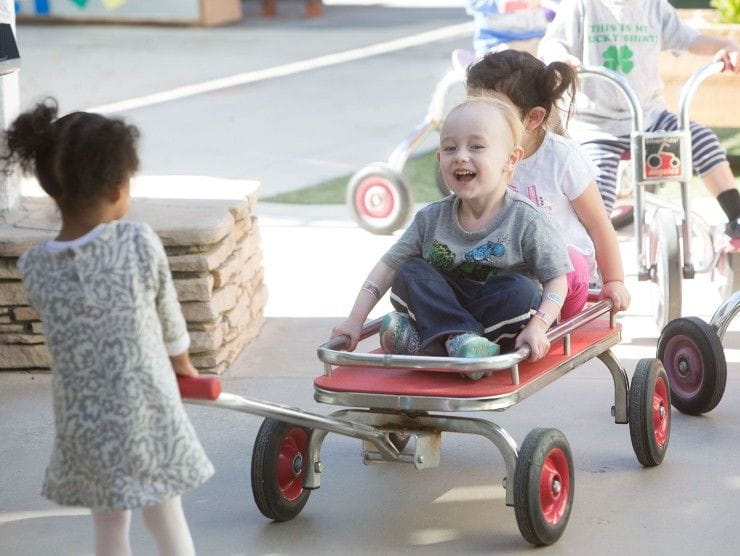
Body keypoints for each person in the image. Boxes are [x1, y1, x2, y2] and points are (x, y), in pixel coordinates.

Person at [4, 99, 213, 556]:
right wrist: (184, 367)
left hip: (84, 423)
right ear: (118, 187)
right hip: (145, 409)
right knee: (165, 513)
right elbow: (168, 319)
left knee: (110, 525)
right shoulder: (137, 242)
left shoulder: (35, 266)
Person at [333, 98, 573, 377]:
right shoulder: (430, 218)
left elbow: (557, 279)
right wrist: (354, 320)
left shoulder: (527, 219)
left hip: (496, 312)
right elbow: (387, 267)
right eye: (449, 148)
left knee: (522, 291)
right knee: (409, 271)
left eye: (476, 146)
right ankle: (459, 341)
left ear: (511, 159)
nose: (460, 156)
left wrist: (539, 326)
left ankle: (431, 342)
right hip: (443, 305)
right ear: (439, 160)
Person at [538, 0, 740, 237]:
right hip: (597, 124)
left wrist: (727, 45)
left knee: (701, 139)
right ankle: (592, 251)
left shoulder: (653, 6)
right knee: (597, 188)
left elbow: (690, 38)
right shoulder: (582, 5)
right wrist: (562, 58)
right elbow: (551, 43)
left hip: (649, 116)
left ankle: (735, 214)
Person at [466, 48, 631, 318]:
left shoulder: (561, 157)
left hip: (561, 278)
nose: (479, 121)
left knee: (568, 261)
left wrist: (614, 280)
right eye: (472, 109)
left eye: (493, 112)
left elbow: (598, 223)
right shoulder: (476, 155)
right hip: (505, 272)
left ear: (533, 118)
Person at [467, 1, 555, 58]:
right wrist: (505, 4)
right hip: (500, 41)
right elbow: (474, 3)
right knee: (496, 70)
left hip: (537, 39)